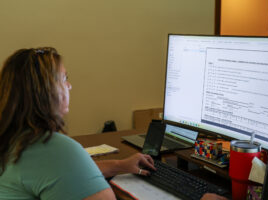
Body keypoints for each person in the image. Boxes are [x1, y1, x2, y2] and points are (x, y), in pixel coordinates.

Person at [0, 47, 227, 200]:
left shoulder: (15, 140)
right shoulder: (55, 149)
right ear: (44, 93)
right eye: (64, 79)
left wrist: (119, 165)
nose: (70, 86)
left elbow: (61, 174)